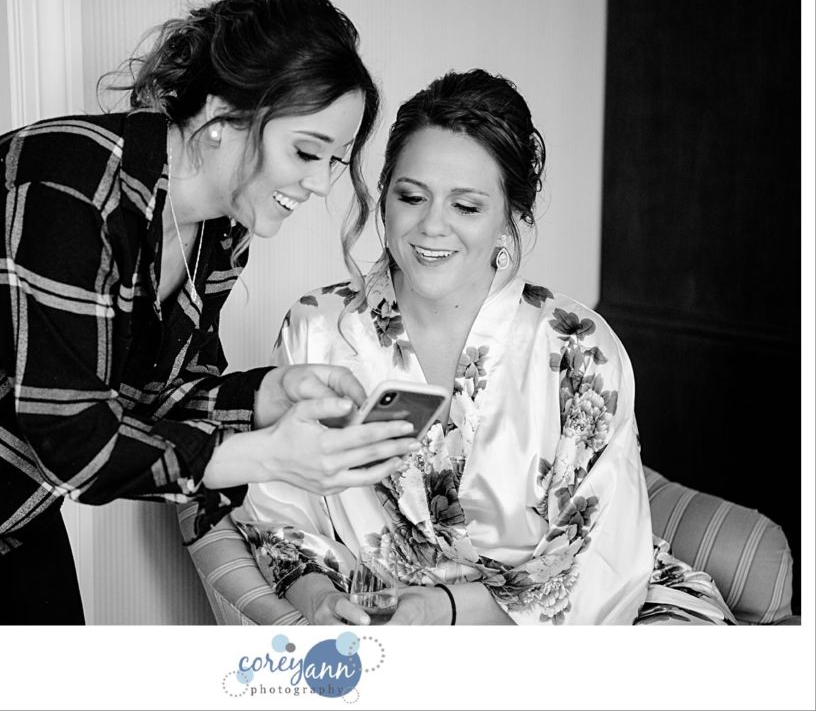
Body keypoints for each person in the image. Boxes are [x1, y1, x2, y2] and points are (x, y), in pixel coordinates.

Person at [0, 0, 423, 625]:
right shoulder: (66, 189)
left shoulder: (220, 228)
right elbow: (75, 437)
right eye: (305, 151)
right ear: (221, 118)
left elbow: (161, 397)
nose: (320, 183)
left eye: (336, 161)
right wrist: (267, 455)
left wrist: (272, 393)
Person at [232, 69, 736, 625]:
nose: (431, 228)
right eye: (411, 196)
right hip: (388, 625)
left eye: (466, 207)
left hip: (583, 628)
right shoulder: (319, 330)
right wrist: (320, 600)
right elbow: (277, 510)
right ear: (383, 198)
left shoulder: (579, 349)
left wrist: (442, 611)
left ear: (509, 217)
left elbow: (602, 561)